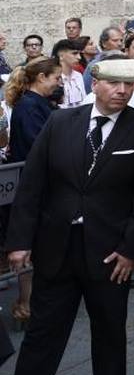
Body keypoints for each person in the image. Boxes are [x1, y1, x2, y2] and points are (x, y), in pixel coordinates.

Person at [0, 56, 134, 375]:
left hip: (110, 259)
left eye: (130, 84)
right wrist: (19, 241)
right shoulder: (60, 123)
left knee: (109, 338)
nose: (123, 91)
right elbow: (32, 184)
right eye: (114, 84)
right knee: (40, 342)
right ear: (95, 82)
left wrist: (131, 251)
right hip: (57, 253)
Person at [3, 58, 62, 324]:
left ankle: (30, 301)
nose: (59, 82)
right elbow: (39, 143)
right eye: (56, 78)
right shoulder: (29, 106)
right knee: (27, 243)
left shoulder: (36, 104)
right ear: (41, 77)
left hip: (38, 181)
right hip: (32, 183)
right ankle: (25, 303)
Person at [82, 26, 125, 94]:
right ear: (104, 44)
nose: (120, 44)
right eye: (115, 40)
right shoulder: (95, 65)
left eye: (121, 40)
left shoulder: (124, 62)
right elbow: (87, 90)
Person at [51, 39, 86, 109]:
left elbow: (84, 102)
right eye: (74, 53)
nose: (79, 57)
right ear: (61, 56)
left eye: (79, 54)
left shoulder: (78, 76)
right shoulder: (52, 78)